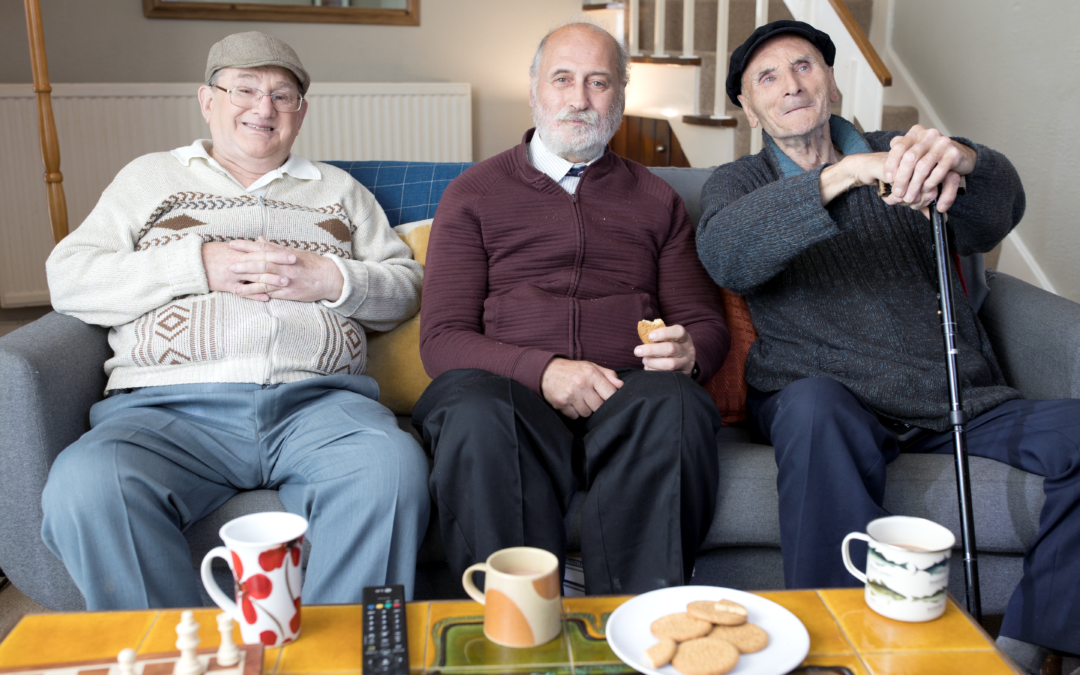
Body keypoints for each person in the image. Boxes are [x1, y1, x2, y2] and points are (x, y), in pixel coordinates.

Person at [696, 19, 1080, 670]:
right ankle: (837, 647)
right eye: (768, 77)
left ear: (831, 82)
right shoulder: (740, 184)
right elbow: (729, 255)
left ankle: (1030, 640)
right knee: (815, 409)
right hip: (821, 396)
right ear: (747, 105)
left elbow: (996, 212)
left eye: (805, 67)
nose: (791, 86)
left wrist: (967, 161)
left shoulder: (904, 152)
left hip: (955, 394)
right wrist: (845, 174)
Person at [41, 31, 430, 609]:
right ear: (208, 100)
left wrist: (332, 279)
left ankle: (336, 665)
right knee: (87, 484)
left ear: (301, 112)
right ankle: (180, 660)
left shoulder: (340, 191)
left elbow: (407, 286)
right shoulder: (149, 179)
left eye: (281, 95)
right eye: (244, 89)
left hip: (320, 406)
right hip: (167, 409)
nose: (262, 108)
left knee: (391, 468)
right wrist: (197, 264)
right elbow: (68, 275)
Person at [414, 23, 729, 596]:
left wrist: (689, 353)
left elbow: (705, 324)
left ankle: (635, 624)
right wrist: (545, 371)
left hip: (627, 391)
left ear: (622, 96)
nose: (579, 99)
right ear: (535, 89)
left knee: (679, 403)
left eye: (598, 82)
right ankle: (517, 627)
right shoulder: (473, 193)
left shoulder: (656, 198)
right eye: (562, 79)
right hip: (505, 393)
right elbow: (441, 339)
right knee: (476, 412)